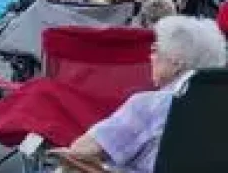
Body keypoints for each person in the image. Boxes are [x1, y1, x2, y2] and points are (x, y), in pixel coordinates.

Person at [55, 16, 226, 173]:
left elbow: (81, 151)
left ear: (176, 62)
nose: (151, 56)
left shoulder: (152, 105)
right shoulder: (219, 106)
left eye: (156, 49)